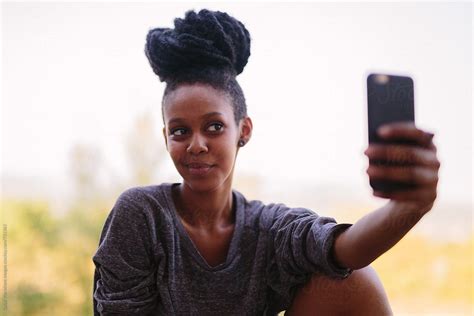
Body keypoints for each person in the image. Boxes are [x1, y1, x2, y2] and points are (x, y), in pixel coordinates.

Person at [92, 9, 440, 316]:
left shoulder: (267, 230)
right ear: (166, 137)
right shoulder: (142, 215)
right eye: (180, 131)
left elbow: (344, 250)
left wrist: (409, 206)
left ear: (243, 131)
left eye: (214, 127)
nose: (196, 145)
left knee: (352, 280)